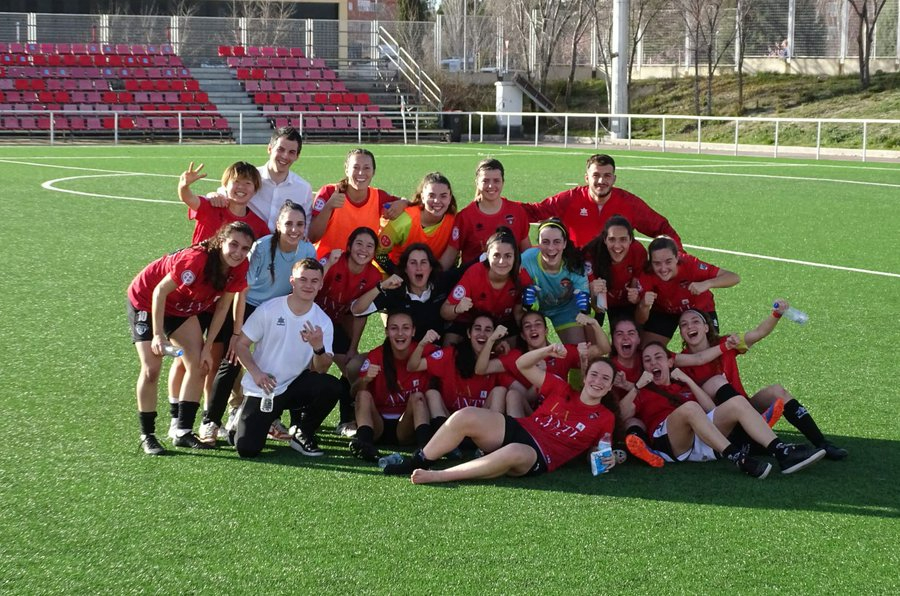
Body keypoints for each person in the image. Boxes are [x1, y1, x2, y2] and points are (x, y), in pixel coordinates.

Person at [382, 346, 618, 484]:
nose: (598, 381)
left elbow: (598, 454)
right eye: (594, 375)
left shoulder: (605, 417)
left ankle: (440, 475)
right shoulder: (561, 388)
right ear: (585, 377)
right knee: (466, 415)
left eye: (605, 379)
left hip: (539, 455)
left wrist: (612, 458)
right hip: (521, 428)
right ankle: (418, 460)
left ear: (609, 387)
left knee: (515, 451)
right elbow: (523, 365)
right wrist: (547, 350)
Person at [128, 222, 255, 455]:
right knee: (151, 369)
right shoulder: (195, 259)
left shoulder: (239, 266)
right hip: (147, 300)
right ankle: (148, 435)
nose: (238, 252)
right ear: (221, 241)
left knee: (200, 364)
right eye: (233, 244)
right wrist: (157, 335)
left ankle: (182, 432)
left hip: (180, 307)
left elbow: (223, 307)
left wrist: (208, 347)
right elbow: (159, 291)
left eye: (245, 248)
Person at [200, 200, 316, 444]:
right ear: (278, 225)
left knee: (277, 361)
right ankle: (210, 421)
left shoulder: (307, 250)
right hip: (249, 306)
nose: (294, 229)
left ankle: (271, 418)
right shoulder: (262, 247)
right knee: (232, 360)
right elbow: (242, 291)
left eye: (300, 224)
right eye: (289, 223)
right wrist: (237, 332)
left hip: (278, 310)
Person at [619, 342, 826, 477]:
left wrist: (689, 381)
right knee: (690, 408)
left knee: (737, 403)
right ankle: (738, 457)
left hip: (701, 438)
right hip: (670, 442)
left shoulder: (682, 386)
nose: (653, 363)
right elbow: (622, 416)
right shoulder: (641, 391)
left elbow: (711, 410)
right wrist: (637, 386)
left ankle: (781, 451)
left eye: (658, 357)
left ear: (670, 361)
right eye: (647, 360)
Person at [675, 306, 847, 460]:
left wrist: (776, 314)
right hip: (718, 423)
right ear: (681, 333)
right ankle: (753, 438)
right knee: (716, 382)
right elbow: (698, 363)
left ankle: (822, 443)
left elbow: (759, 333)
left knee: (777, 391)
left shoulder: (726, 342)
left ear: (706, 327)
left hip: (744, 408)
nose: (690, 326)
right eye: (684, 325)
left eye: (695, 321)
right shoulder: (681, 360)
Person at [232, 258, 346, 458]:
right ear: (292, 280)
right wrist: (256, 373)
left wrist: (318, 347)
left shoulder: (323, 321)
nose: (308, 285)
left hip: (293, 385)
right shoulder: (269, 309)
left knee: (331, 386)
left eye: (314, 281)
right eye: (303, 279)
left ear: (321, 284)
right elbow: (241, 345)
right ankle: (247, 417)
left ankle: (302, 432)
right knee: (247, 449)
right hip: (264, 386)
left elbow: (321, 369)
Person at [522, 154, 681, 249]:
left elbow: (661, 227)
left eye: (607, 176)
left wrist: (679, 257)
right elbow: (534, 211)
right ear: (587, 178)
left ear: (614, 179)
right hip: (578, 269)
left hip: (615, 269)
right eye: (596, 175)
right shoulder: (569, 199)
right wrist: (506, 207)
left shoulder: (629, 203)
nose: (601, 181)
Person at [476, 311, 610, 416]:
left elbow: (603, 349)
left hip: (558, 414)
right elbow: (481, 369)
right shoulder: (516, 356)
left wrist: (594, 324)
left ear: (546, 331)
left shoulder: (562, 352)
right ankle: (517, 438)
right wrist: (491, 340)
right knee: (513, 396)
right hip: (530, 413)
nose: (533, 329)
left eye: (538, 324)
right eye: (527, 326)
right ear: (523, 335)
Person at [348, 311, 436, 462]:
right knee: (363, 394)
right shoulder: (376, 355)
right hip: (378, 424)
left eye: (406, 328)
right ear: (386, 332)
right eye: (394, 328)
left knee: (418, 397)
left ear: (413, 331)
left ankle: (425, 449)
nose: (400, 333)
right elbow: (353, 393)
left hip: (407, 425)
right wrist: (365, 379)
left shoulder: (426, 351)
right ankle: (364, 444)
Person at [407, 317, 510, 442]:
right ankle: (439, 444)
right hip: (450, 427)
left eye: (488, 330)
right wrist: (422, 344)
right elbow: (413, 366)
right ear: (469, 333)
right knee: (432, 394)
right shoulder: (451, 354)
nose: (482, 334)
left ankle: (491, 443)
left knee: (500, 391)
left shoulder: (498, 360)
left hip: (481, 430)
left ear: (495, 335)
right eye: (477, 329)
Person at [635, 235, 740, 345]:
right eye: (657, 263)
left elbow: (734, 277)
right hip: (665, 310)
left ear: (677, 257)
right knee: (648, 349)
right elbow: (640, 320)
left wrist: (707, 283)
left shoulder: (690, 264)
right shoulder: (646, 273)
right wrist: (644, 306)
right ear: (651, 262)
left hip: (699, 308)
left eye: (668, 262)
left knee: (708, 348)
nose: (663, 268)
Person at [210, 126, 314, 232]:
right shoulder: (250, 177)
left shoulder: (303, 188)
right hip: (247, 240)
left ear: (297, 156)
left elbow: (305, 227)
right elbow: (222, 194)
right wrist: (213, 195)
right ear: (269, 149)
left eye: (291, 152)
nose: (285, 156)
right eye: (280, 149)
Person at [308, 148, 406, 259]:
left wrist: (403, 203)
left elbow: (409, 203)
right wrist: (329, 207)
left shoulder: (379, 197)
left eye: (366, 168)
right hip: (326, 265)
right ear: (346, 169)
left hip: (361, 265)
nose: (361, 173)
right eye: (356, 167)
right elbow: (312, 237)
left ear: (373, 172)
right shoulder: (330, 192)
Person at [440, 226, 530, 343]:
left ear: (515, 257)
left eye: (508, 256)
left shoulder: (521, 276)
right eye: (496, 255)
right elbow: (444, 311)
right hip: (471, 322)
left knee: (515, 345)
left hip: (502, 323)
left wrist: (531, 308)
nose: (502, 261)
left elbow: (519, 314)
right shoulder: (475, 273)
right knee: (450, 341)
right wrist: (457, 308)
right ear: (487, 255)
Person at [351, 243, 452, 342]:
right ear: (405, 269)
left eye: (423, 262)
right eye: (413, 263)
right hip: (401, 349)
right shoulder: (395, 291)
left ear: (431, 268)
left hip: (436, 350)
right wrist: (381, 286)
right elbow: (356, 310)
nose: (418, 267)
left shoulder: (443, 284)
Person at [445, 158, 531, 267]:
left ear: (503, 182)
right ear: (477, 182)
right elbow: (449, 258)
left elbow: (527, 254)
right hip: (474, 277)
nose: (491, 186)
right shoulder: (465, 217)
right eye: (485, 181)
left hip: (509, 276)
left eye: (496, 181)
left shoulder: (517, 211)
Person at [520, 218, 591, 344]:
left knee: (578, 351)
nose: (551, 248)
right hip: (535, 310)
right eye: (545, 242)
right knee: (533, 348)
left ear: (565, 243)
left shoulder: (574, 265)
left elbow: (584, 299)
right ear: (538, 243)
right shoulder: (526, 260)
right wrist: (526, 303)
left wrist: (584, 304)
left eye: (557, 242)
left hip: (565, 308)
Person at [377, 172, 458, 272]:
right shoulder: (405, 220)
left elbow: (455, 258)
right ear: (423, 197)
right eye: (431, 196)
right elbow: (379, 253)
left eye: (443, 196)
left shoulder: (454, 223)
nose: (437, 201)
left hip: (429, 275)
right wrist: (399, 275)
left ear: (450, 198)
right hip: (396, 273)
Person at [179, 161, 269, 244]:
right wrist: (184, 186)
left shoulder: (259, 224)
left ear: (255, 190)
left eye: (248, 183)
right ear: (225, 185)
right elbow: (188, 199)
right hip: (201, 256)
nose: (241, 187)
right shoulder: (211, 206)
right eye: (236, 181)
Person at [582, 215, 647, 325]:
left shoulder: (638, 251)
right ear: (605, 239)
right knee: (588, 327)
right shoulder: (591, 254)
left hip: (623, 301)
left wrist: (636, 298)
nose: (617, 246)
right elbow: (597, 307)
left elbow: (635, 291)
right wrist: (595, 294)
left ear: (631, 240)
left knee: (627, 332)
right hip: (598, 299)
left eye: (623, 239)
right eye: (612, 239)